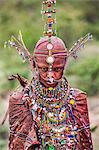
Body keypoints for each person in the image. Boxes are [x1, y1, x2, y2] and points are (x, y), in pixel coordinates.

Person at [8, 0, 93, 149]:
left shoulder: (78, 100)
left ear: (65, 65)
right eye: (44, 69)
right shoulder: (20, 101)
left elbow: (85, 145)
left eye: (57, 69)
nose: (50, 76)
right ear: (34, 65)